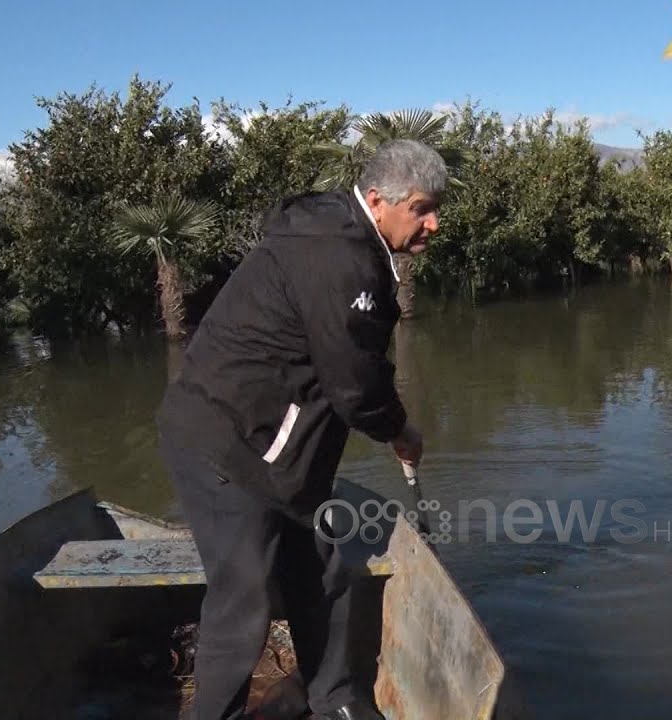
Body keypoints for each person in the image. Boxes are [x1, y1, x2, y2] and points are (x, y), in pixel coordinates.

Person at [155, 139, 445, 720]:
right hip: (227, 443)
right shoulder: (339, 257)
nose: (433, 223)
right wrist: (399, 429)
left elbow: (357, 356)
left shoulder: (349, 244)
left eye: (436, 208)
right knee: (244, 597)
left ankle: (334, 697)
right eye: (421, 208)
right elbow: (354, 384)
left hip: (275, 448)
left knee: (323, 572)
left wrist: (388, 417)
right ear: (378, 200)